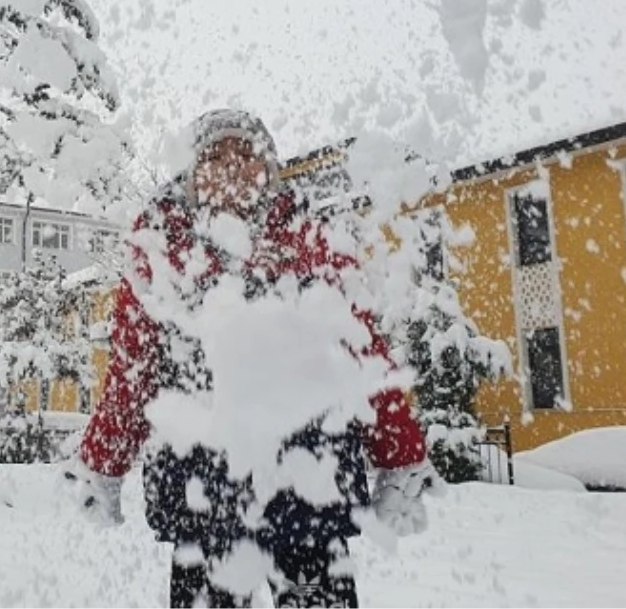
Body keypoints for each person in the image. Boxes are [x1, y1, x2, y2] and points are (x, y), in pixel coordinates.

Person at [65, 110, 441, 609]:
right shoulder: (162, 244)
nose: (230, 168)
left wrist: (402, 456)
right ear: (192, 172)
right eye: (214, 156)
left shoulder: (312, 236)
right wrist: (103, 463)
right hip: (201, 491)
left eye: (245, 154)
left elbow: (364, 351)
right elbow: (133, 370)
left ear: (269, 168)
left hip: (310, 486)